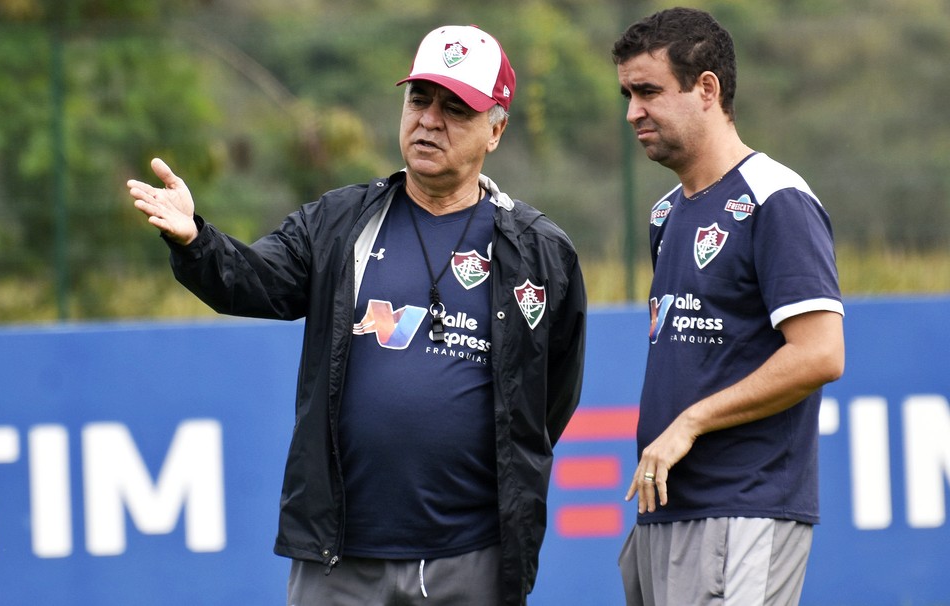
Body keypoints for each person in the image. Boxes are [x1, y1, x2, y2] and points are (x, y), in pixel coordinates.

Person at [127, 24, 585, 606]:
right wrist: (196, 241)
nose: (429, 120)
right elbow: (254, 281)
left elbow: (551, 396)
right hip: (339, 558)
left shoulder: (540, 250)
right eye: (419, 99)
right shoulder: (342, 221)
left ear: (496, 129)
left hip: (472, 558)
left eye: (456, 108)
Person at [611, 8, 845, 606]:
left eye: (648, 91)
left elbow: (819, 355)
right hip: (665, 511)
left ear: (707, 88)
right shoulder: (666, 212)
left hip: (743, 507)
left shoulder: (777, 199)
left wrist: (690, 422)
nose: (632, 111)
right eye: (627, 94)